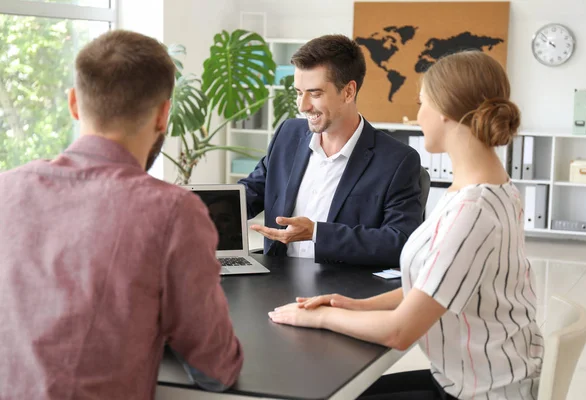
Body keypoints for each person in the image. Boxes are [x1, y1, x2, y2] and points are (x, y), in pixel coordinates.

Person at [268, 51, 544, 399]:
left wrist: (317, 318)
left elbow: (399, 332)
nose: (417, 117)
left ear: (446, 112)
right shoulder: (491, 188)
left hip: (480, 392)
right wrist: (351, 305)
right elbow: (436, 283)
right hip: (474, 377)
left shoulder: (472, 210)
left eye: (421, 103)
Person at [0, 30, 243, 399]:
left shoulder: (6, 188)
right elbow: (216, 368)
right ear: (164, 115)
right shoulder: (173, 211)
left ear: (74, 104)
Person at [239, 34, 422, 267]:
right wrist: (192, 208)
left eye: (315, 94)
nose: (303, 106)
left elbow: (400, 242)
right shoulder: (288, 135)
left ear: (348, 92)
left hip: (342, 290)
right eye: (298, 92)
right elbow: (250, 193)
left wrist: (316, 232)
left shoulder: (397, 161)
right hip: (276, 281)